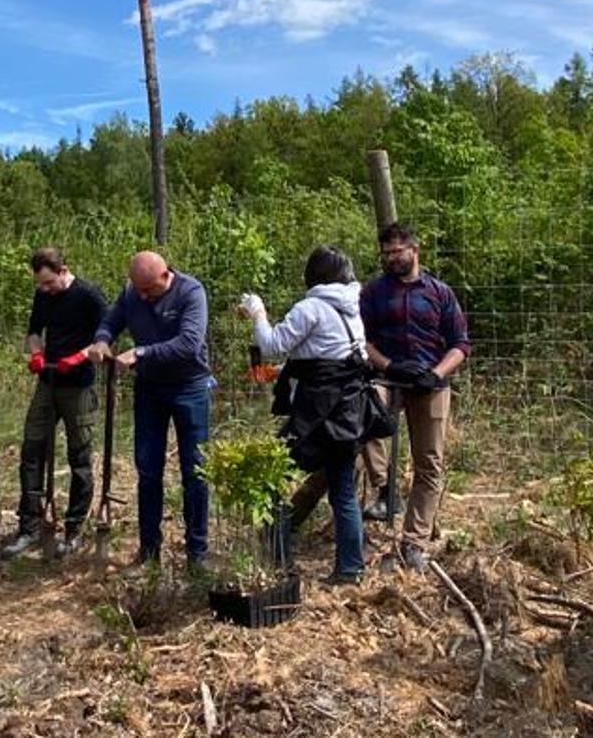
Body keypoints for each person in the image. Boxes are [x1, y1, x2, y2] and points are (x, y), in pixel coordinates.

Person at [240, 246, 373, 585]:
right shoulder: (352, 308)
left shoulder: (310, 307)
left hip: (314, 417)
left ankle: (279, 561)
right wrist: (283, 372)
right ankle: (351, 569)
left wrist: (258, 313)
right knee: (342, 490)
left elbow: (271, 344)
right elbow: (333, 359)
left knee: (269, 475)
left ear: (313, 274)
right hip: (346, 413)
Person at [353, 222, 471, 572]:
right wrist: (389, 367)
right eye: (386, 253)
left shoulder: (439, 292)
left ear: (414, 250)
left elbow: (461, 344)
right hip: (388, 376)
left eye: (397, 252)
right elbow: (362, 342)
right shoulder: (373, 293)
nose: (391, 259)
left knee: (429, 463)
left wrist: (436, 373)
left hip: (430, 382)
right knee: (364, 412)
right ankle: (385, 488)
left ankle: (414, 543)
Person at [86, 251, 212, 570]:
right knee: (148, 470)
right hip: (151, 392)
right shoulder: (132, 292)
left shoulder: (191, 292)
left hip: (189, 388)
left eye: (149, 289)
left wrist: (141, 352)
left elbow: (189, 344)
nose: (143, 295)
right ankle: (148, 549)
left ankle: (197, 552)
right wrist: (102, 341)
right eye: (138, 288)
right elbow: (111, 321)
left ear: (165, 275)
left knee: (195, 471)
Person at [4, 247, 108, 558]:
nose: (45, 289)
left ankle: (74, 528)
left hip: (78, 385)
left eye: (49, 283)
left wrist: (78, 357)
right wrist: (37, 354)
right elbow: (34, 331)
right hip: (47, 382)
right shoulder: (43, 296)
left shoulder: (89, 295)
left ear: (63, 270)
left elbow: (106, 336)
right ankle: (30, 526)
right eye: (41, 284)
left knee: (79, 457)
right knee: (32, 449)